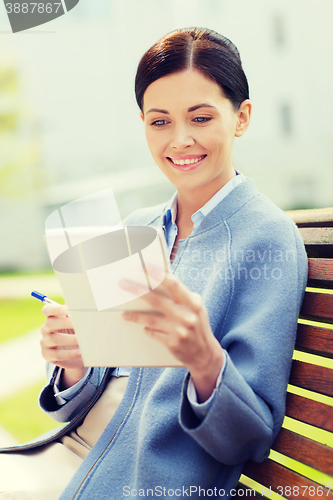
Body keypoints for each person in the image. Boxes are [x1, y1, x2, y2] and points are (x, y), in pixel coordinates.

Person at [0, 27, 308, 499]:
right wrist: (76, 364)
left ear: (241, 117)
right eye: (160, 122)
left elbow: (250, 436)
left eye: (200, 117)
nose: (180, 140)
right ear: (142, 122)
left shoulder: (266, 240)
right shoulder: (138, 228)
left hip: (141, 483)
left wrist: (205, 360)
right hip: (74, 452)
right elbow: (76, 401)